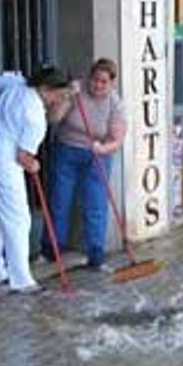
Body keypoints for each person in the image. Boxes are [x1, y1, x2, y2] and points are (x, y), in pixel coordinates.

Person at [0, 66, 74, 293]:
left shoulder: (18, 85)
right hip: (7, 163)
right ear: (47, 89)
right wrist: (35, 164)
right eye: (61, 95)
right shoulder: (35, 116)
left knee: (1, 217)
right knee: (19, 219)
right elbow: (23, 157)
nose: (61, 99)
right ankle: (22, 279)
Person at [40, 59, 126, 271]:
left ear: (112, 84)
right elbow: (53, 118)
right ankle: (52, 249)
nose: (98, 85)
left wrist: (103, 149)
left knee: (95, 204)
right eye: (95, 80)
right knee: (60, 199)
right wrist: (67, 96)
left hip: (97, 155)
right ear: (89, 77)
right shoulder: (76, 92)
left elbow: (117, 139)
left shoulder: (115, 103)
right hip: (67, 150)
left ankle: (95, 254)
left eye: (103, 82)